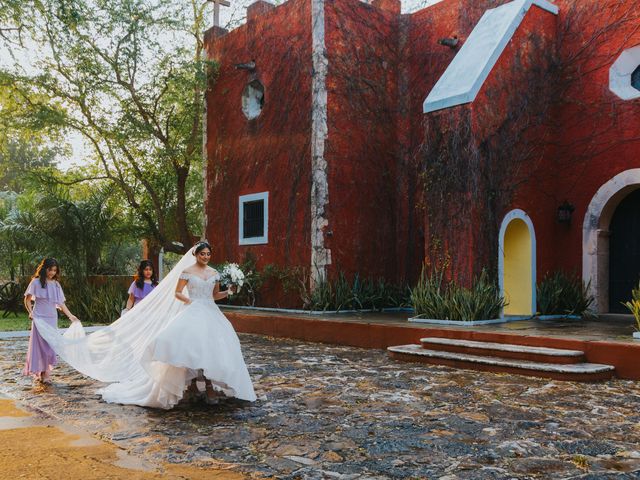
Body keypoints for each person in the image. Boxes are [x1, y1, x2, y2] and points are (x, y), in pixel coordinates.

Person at [30, 242, 256, 409]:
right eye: (202, 253)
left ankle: (208, 385)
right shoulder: (187, 272)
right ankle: (190, 385)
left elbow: (215, 296)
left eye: (209, 253)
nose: (206, 256)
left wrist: (230, 291)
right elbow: (178, 293)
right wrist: (191, 301)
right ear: (195, 255)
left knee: (213, 347)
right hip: (193, 310)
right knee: (183, 346)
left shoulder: (214, 273)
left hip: (210, 312)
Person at [23, 258, 79, 384]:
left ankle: (46, 373)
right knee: (40, 346)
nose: (52, 273)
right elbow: (27, 299)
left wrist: (71, 316)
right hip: (38, 318)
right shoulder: (35, 282)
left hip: (52, 318)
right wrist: (30, 312)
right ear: (44, 269)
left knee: (50, 347)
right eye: (50, 270)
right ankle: (42, 374)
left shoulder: (56, 285)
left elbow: (61, 303)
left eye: (54, 270)